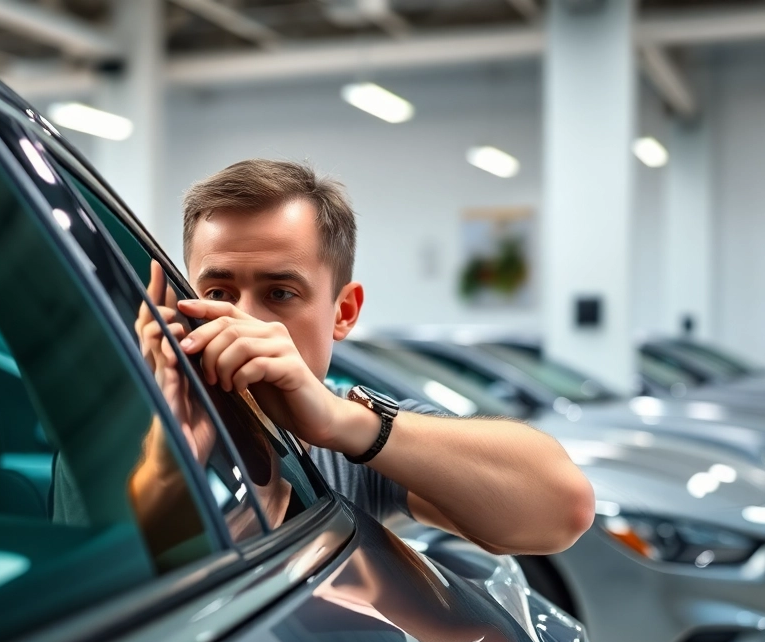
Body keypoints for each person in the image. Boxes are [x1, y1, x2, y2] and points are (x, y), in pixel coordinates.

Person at [148, 159, 592, 556]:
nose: (243, 321)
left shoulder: (343, 436)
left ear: (343, 313)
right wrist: (164, 464)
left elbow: (564, 508)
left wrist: (340, 423)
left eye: (280, 293)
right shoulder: (125, 418)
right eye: (218, 293)